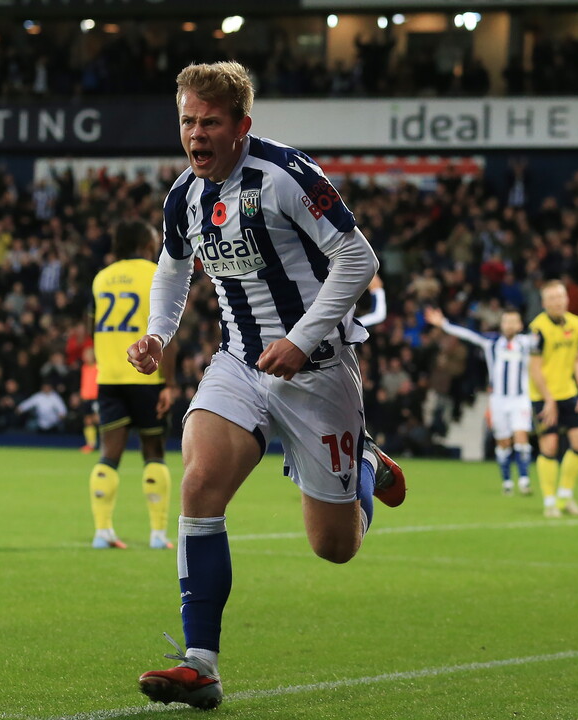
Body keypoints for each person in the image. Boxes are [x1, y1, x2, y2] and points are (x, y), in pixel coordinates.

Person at [127, 61, 406, 710]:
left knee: (334, 548)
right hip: (238, 364)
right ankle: (201, 663)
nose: (196, 134)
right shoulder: (185, 196)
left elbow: (358, 257)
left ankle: (362, 462)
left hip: (317, 372)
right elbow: (172, 268)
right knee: (197, 483)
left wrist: (302, 338)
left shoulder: (286, 176)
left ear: (241, 126)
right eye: (187, 122)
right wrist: (158, 335)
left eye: (210, 122)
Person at [89, 219, 178, 551]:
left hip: (109, 376)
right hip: (146, 374)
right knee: (153, 452)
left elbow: (91, 326)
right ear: (144, 243)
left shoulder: (101, 278)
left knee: (109, 454)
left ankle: (102, 532)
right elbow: (167, 333)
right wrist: (168, 383)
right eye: (154, 238)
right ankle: (157, 534)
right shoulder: (156, 273)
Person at [425, 306, 535, 495]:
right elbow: (467, 334)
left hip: (520, 399)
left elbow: (550, 337)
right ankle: (507, 481)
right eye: (506, 321)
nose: (509, 325)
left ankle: (524, 480)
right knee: (503, 442)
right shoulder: (491, 342)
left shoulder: (526, 343)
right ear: (501, 324)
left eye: (512, 322)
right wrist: (443, 324)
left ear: (519, 325)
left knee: (521, 437)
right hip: (498, 400)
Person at [528, 280, 578, 518]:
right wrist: (548, 399)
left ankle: (565, 496)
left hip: (568, 393)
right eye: (552, 298)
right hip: (542, 395)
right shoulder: (538, 329)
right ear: (545, 303)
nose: (558, 301)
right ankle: (549, 502)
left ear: (567, 299)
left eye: (561, 297)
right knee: (550, 445)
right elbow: (535, 368)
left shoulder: (576, 324)